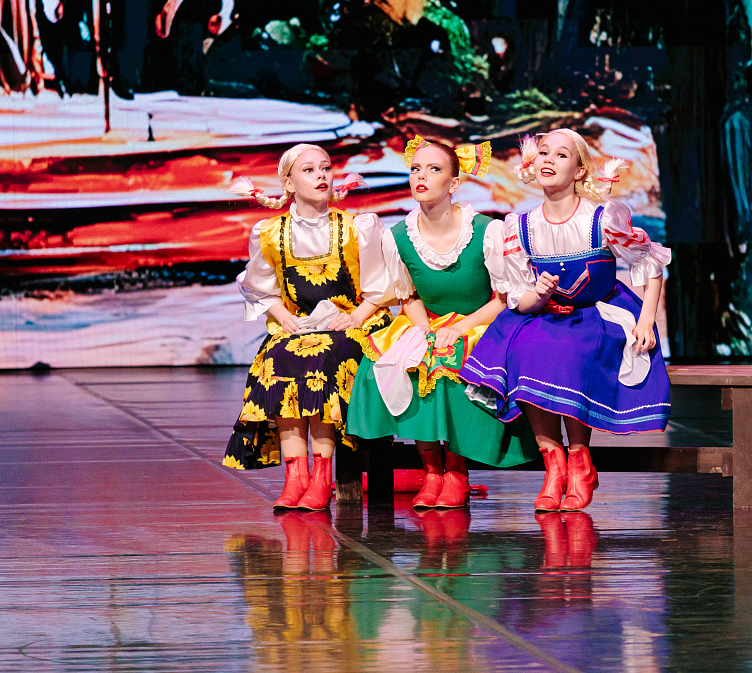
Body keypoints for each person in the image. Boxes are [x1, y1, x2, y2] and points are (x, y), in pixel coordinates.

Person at [461, 129, 672, 512]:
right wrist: (539, 294)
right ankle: (553, 463)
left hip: (598, 312)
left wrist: (645, 320)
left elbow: (649, 262)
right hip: (546, 313)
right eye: (543, 153)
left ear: (578, 171)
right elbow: (520, 298)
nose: (548, 160)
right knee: (526, 346)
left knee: (572, 349)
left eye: (560, 155)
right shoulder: (520, 226)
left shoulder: (601, 219)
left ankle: (579, 460)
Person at [347, 138, 538, 510]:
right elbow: (408, 296)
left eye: (434, 169)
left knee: (452, 361)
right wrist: (425, 329)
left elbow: (502, 299)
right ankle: (431, 469)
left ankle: (456, 470)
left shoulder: (486, 231)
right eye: (416, 169)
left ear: (454, 183)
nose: (421, 176)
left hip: (481, 323)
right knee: (408, 360)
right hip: (429, 322)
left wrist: (460, 328)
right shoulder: (397, 237)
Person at [222, 143, 393, 511]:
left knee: (322, 359)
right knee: (279, 359)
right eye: (309, 170)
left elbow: (381, 287)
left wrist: (356, 317)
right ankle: (295, 475)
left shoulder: (356, 228)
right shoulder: (271, 232)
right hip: (299, 325)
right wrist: (282, 316)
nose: (321, 176)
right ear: (289, 183)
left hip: (353, 325)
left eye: (325, 168)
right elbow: (257, 286)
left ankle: (321, 476)